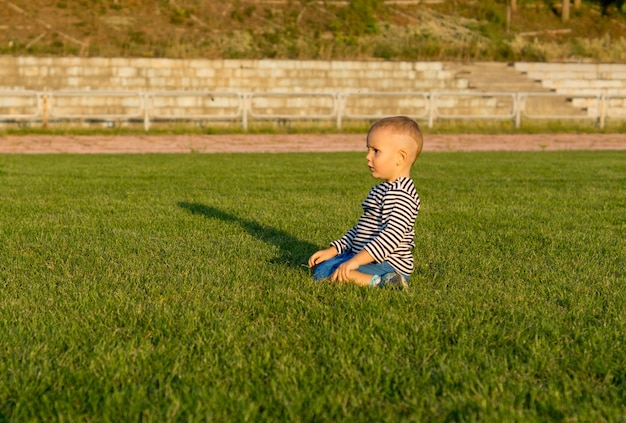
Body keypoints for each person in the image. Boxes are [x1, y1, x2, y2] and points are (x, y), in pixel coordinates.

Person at [308, 116, 423, 289]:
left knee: (326, 272)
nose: (368, 157)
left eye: (376, 151)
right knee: (323, 266)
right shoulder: (380, 190)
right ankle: (365, 274)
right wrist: (333, 250)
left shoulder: (403, 195)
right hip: (365, 256)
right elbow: (359, 231)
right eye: (368, 150)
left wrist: (354, 261)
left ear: (400, 158)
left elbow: (390, 237)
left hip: (388, 262)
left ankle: (381, 282)